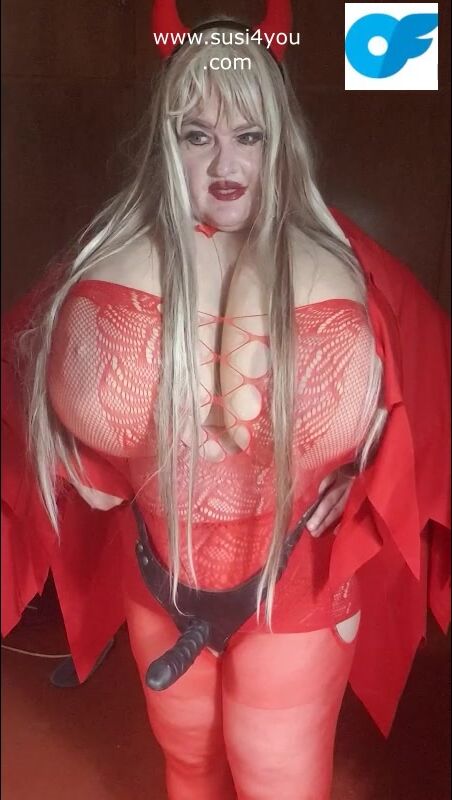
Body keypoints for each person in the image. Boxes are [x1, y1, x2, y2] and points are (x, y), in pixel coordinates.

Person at [2, 4, 450, 800]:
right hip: (160, 578)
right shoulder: (101, 262)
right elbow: (25, 396)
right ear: (164, 142)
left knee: (281, 781)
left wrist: (371, 463)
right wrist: (77, 453)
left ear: (281, 142)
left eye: (249, 135)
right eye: (197, 135)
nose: (224, 163)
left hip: (299, 579)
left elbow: (428, 391)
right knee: (189, 768)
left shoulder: (354, 270)